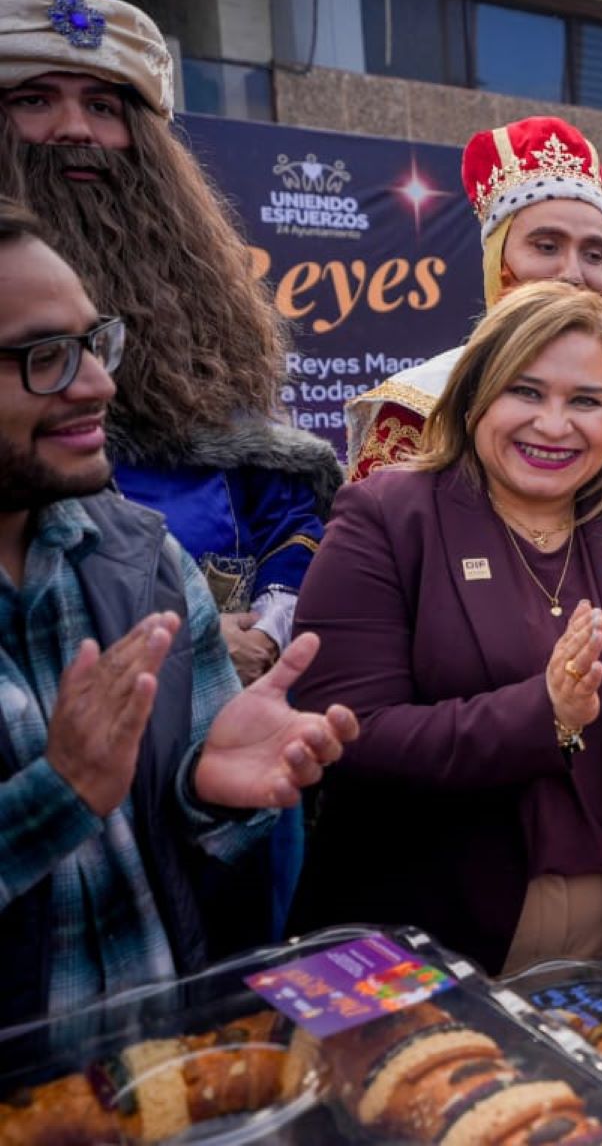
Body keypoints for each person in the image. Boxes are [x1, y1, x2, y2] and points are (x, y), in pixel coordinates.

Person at [292, 284, 602, 976]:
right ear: (474, 397)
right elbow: (346, 733)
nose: (554, 425)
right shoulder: (389, 517)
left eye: (586, 401)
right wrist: (541, 715)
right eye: (526, 393)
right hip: (432, 932)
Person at [0, 201, 359, 1026]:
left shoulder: (143, 559)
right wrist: (58, 795)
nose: (99, 384)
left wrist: (211, 791)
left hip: (160, 1075)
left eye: (97, 344)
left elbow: (188, 850)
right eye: (47, 356)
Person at [0, 0, 339, 690]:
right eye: (34, 99)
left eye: (102, 105)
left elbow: (281, 502)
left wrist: (273, 621)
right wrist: (185, 634)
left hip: (241, 710)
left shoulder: (196, 309)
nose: (74, 129)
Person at [343, 115, 602, 545]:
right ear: (498, 260)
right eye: (546, 246)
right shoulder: (418, 409)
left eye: (593, 254)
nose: (572, 274)